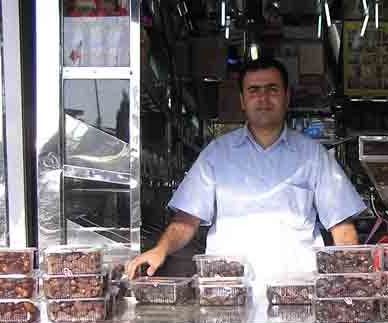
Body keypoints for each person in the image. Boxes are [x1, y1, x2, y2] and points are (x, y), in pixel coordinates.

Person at [126, 57, 364, 285]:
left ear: (286, 97)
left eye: (272, 89)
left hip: (295, 290)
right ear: (242, 100)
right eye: (254, 90)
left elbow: (341, 227)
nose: (263, 98)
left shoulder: (313, 156)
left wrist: (347, 280)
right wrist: (161, 249)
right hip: (227, 289)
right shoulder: (217, 154)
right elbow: (187, 219)